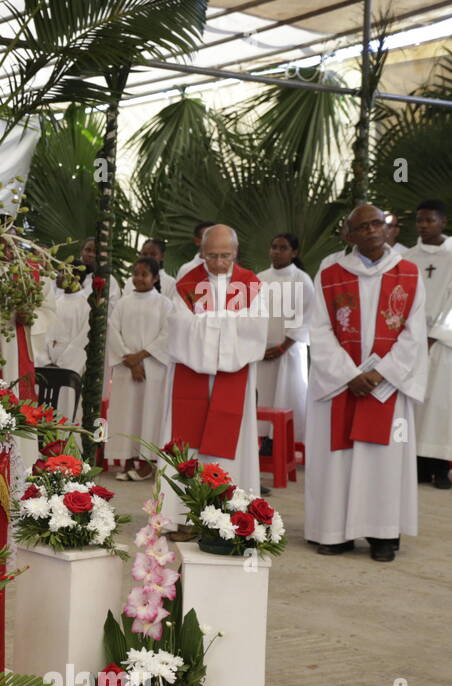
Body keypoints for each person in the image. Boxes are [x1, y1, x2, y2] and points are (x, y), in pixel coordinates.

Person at [306, 204, 427, 562]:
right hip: (343, 384)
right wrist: (349, 375)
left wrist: (381, 373)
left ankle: (382, 535)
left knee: (383, 460)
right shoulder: (330, 273)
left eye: (378, 224)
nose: (373, 230)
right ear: (349, 235)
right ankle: (334, 532)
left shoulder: (408, 272)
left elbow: (414, 332)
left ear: (389, 230)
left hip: (387, 386)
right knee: (338, 458)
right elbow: (320, 329)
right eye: (363, 226)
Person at [159, 224, 268, 502]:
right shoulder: (186, 283)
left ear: (236, 252)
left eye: (225, 256)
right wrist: (225, 324)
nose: (219, 263)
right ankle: (182, 513)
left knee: (230, 442)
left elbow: (256, 328)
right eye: (212, 256)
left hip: (235, 377)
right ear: (201, 252)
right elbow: (178, 326)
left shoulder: (251, 284)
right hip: (191, 374)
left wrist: (208, 324)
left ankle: (230, 509)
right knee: (187, 446)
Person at [106, 258, 170, 480]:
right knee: (127, 415)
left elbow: (167, 335)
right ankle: (127, 460)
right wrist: (130, 360)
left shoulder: (164, 304)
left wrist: (140, 357)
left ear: (155, 278)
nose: (138, 278)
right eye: (136, 273)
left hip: (152, 369)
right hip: (126, 368)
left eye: (144, 274)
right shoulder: (124, 302)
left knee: (148, 414)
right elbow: (112, 330)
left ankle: (145, 461)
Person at [407, 199, 452, 488]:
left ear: (443, 222)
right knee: (415, 405)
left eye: (429, 220)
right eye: (420, 220)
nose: (423, 225)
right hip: (411, 341)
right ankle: (418, 467)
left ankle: (439, 469)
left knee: (440, 407)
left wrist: (435, 335)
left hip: (444, 343)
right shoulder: (408, 258)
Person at [255, 233, 313, 451]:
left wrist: (282, 347)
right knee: (264, 397)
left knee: (287, 396)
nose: (277, 252)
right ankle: (264, 441)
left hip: (289, 350)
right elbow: (252, 314)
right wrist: (259, 347)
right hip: (262, 351)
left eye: (283, 248)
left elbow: (307, 318)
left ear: (294, 252)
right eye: (274, 247)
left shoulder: (302, 280)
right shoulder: (260, 278)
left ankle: (284, 442)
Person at [32, 271, 91, 422]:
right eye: (59, 273)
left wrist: (63, 364)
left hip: (70, 366)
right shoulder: (55, 301)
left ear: (76, 276)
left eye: (64, 274)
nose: (58, 276)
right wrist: (45, 360)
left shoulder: (86, 305)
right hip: (48, 364)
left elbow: (83, 338)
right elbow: (43, 330)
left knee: (68, 407)